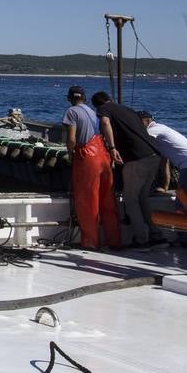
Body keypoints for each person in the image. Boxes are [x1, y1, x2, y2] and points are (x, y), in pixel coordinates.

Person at [92, 91, 165, 248]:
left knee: (130, 199)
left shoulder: (105, 109)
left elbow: (105, 123)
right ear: (110, 99)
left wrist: (112, 148)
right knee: (142, 197)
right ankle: (157, 235)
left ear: (98, 104)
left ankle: (141, 240)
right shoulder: (129, 110)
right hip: (153, 156)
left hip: (137, 159)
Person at [62, 85, 122, 250]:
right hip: (103, 154)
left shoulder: (71, 112)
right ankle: (114, 240)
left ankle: (90, 242)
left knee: (88, 200)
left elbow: (72, 138)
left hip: (87, 156)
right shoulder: (93, 111)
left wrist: (70, 154)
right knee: (107, 200)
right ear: (85, 98)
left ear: (69, 98)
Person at [139, 111, 187, 207]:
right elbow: (164, 162)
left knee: (182, 206)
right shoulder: (162, 131)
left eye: (138, 123)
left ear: (147, 121)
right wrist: (164, 187)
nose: (137, 126)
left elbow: (140, 143)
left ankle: (186, 221)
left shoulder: (153, 130)